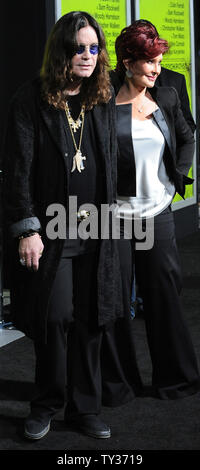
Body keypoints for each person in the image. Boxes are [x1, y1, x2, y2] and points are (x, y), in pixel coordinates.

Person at [2, 11, 129, 441]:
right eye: (79, 47)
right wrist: (27, 229)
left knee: (92, 320)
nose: (88, 55)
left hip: (97, 229)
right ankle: (47, 404)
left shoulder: (101, 97)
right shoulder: (31, 99)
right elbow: (17, 171)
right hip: (50, 232)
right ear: (62, 51)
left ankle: (84, 408)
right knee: (54, 319)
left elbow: (109, 163)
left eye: (95, 47)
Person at [103, 20, 200, 400]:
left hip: (157, 213)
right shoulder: (103, 96)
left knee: (164, 298)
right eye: (149, 62)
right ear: (127, 62)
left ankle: (176, 379)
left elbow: (187, 135)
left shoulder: (170, 90)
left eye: (159, 60)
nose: (157, 69)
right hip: (113, 217)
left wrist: (177, 177)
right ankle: (118, 385)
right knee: (113, 303)